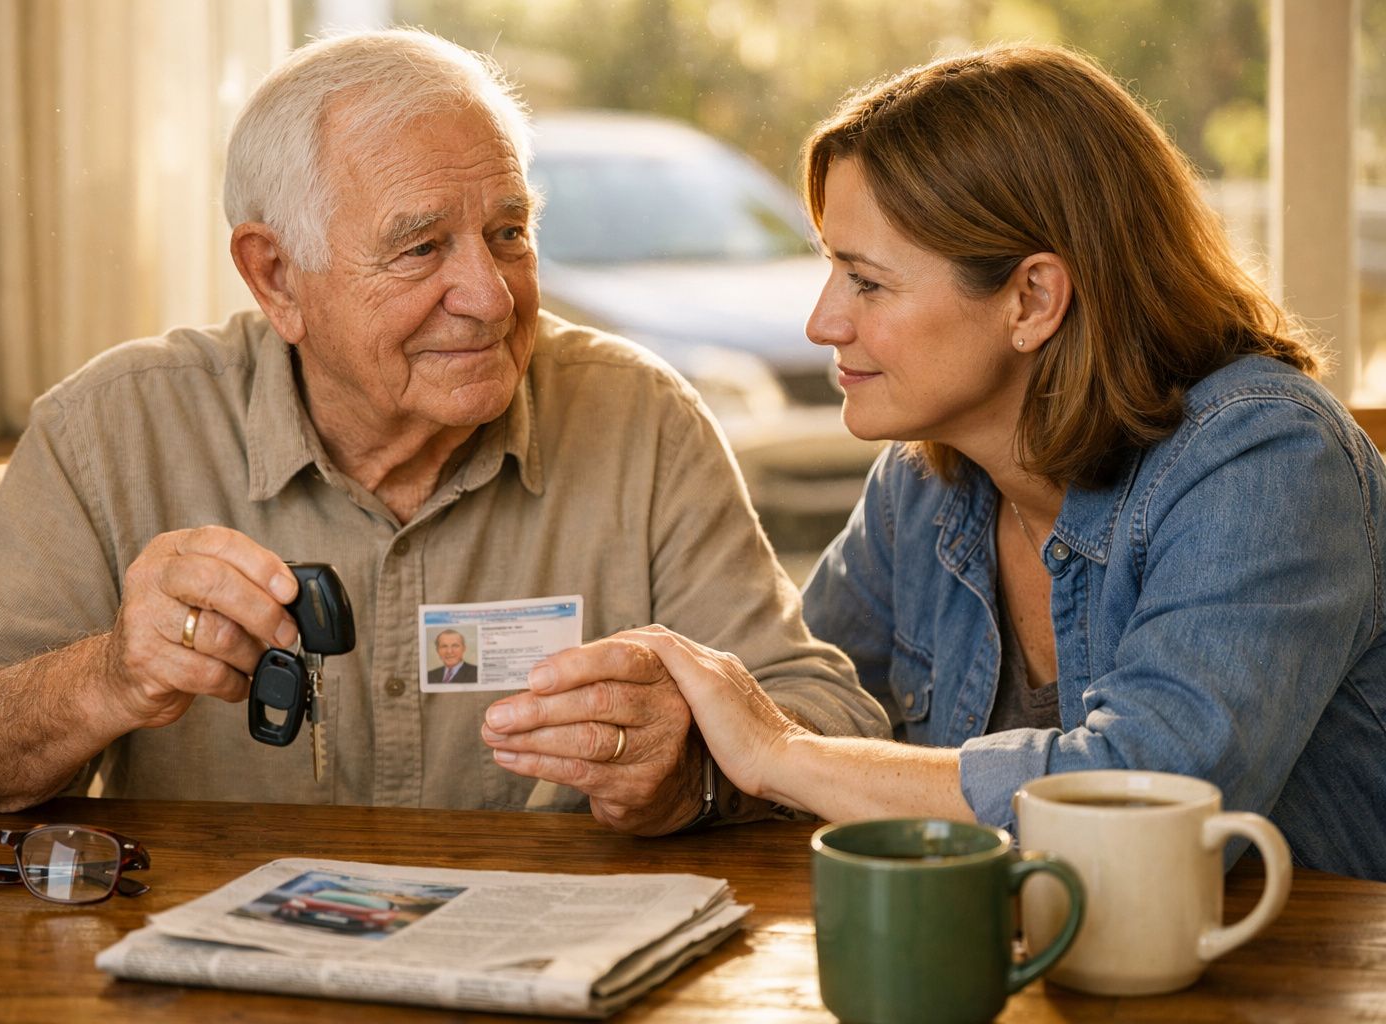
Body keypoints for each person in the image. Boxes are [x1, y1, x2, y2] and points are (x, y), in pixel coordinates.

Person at [0, 29, 887, 833]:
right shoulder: (113, 427)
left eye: (509, 233)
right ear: (274, 276)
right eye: (421, 247)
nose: (487, 295)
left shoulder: (639, 419)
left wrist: (692, 776)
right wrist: (108, 675)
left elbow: (825, 719)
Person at [482, 44, 1386, 880]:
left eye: (866, 281)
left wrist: (776, 755)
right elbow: (815, 714)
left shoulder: (1266, 460)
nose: (823, 322)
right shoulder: (926, 482)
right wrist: (681, 764)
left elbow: (1142, 801)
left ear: (1032, 298)